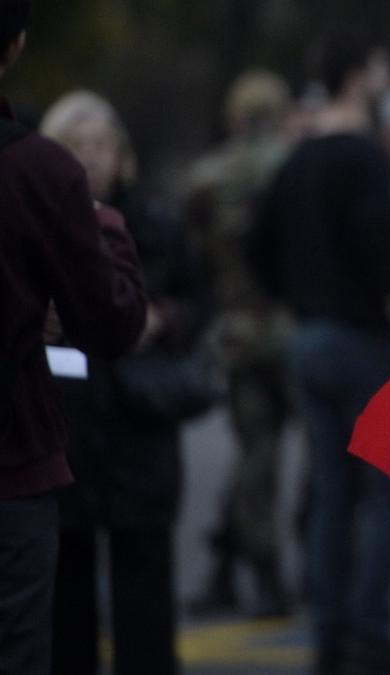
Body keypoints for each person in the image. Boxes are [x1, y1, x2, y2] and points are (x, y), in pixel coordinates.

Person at [248, 32, 390, 675]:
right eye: (380, 65)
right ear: (359, 76)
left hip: (309, 340)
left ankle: (329, 634)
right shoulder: (365, 156)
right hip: (361, 341)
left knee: (330, 491)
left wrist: (296, 299)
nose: (385, 76)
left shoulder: (294, 160)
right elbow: (381, 247)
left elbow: (257, 243)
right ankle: (370, 628)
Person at [0, 2, 147, 672]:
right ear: (16, 46)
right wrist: (102, 226)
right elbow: (111, 322)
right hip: (13, 460)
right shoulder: (39, 173)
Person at [40, 89, 207, 675]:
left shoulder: (156, 221)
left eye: (100, 146)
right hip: (66, 425)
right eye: (75, 147)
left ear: (122, 153)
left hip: (139, 418)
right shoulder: (37, 218)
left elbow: (197, 298)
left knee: (145, 582)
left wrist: (162, 318)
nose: (90, 159)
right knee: (66, 582)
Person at [185, 68, 295, 619]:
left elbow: (194, 256)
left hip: (239, 331)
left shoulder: (207, 177)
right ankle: (284, 573)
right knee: (325, 453)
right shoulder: (292, 166)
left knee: (256, 453)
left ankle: (248, 572)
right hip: (292, 328)